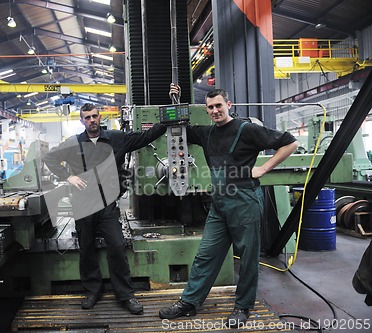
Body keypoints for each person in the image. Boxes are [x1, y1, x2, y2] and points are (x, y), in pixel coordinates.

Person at [159, 84, 298, 327]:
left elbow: (289, 142)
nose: (215, 111)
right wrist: (175, 99)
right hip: (220, 203)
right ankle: (190, 302)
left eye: (219, 106)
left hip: (245, 202)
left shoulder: (248, 129)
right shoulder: (207, 133)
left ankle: (243, 307)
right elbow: (178, 126)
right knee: (206, 255)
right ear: (207, 110)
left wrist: (264, 168)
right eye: (210, 107)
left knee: (247, 259)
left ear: (229, 105)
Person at [43, 103, 166, 315]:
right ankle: (92, 291)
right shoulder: (73, 143)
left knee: (117, 246)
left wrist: (166, 120)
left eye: (94, 116)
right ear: (82, 121)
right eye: (87, 117)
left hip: (107, 205)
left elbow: (145, 138)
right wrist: (68, 176)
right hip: (83, 205)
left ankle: (126, 295)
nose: (92, 120)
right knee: (87, 248)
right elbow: (49, 158)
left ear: (100, 117)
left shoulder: (116, 138)